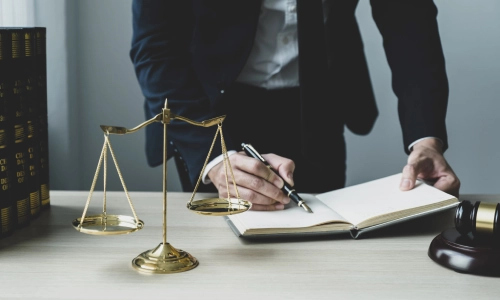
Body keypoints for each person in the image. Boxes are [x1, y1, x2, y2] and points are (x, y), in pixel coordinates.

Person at [130, 0, 460, 211]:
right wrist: (213, 157)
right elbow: (155, 47)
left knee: (321, 244)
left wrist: (426, 137)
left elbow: (408, 19)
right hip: (207, 112)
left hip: (319, 101)